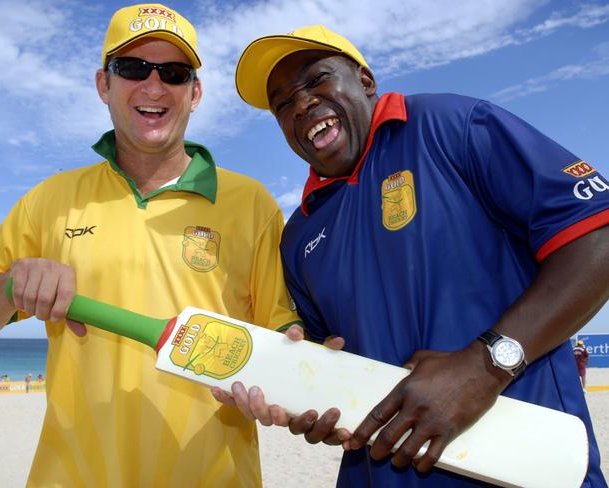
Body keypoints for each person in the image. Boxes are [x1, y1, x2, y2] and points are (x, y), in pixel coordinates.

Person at [218, 25, 609, 487]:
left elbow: (596, 234)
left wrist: (484, 367)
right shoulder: (301, 233)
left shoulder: (447, 125)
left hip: (526, 465)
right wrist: (314, 396)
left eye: (316, 80)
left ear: (364, 81)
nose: (301, 104)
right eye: (283, 104)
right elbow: (331, 359)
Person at [0, 4, 300, 487]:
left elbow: (281, 339)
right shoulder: (49, 201)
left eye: (175, 73)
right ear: (104, 84)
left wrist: (289, 378)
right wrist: (8, 290)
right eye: (133, 68)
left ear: (195, 92)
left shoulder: (252, 204)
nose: (154, 86)